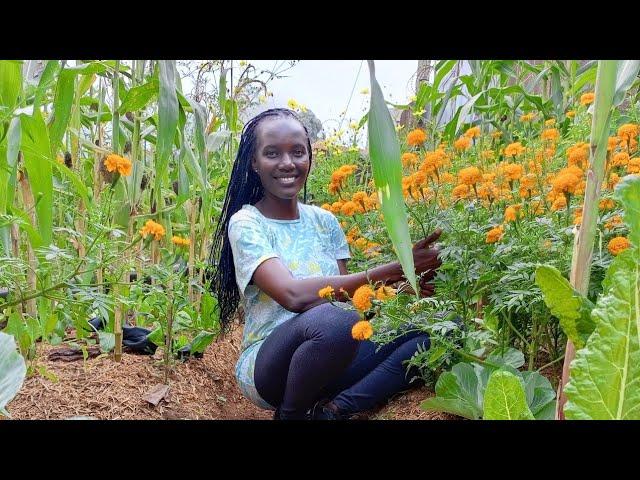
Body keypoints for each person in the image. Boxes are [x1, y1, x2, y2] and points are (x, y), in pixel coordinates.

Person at [209, 108, 442, 420]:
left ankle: (333, 410)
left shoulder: (325, 221)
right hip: (270, 367)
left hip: (333, 355)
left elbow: (349, 301)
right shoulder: (248, 223)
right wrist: (393, 268)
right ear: (254, 162)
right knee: (333, 320)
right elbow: (292, 295)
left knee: (438, 330)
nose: (287, 163)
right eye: (272, 153)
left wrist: (400, 288)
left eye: (297, 152)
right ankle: (290, 415)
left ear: (309, 158)